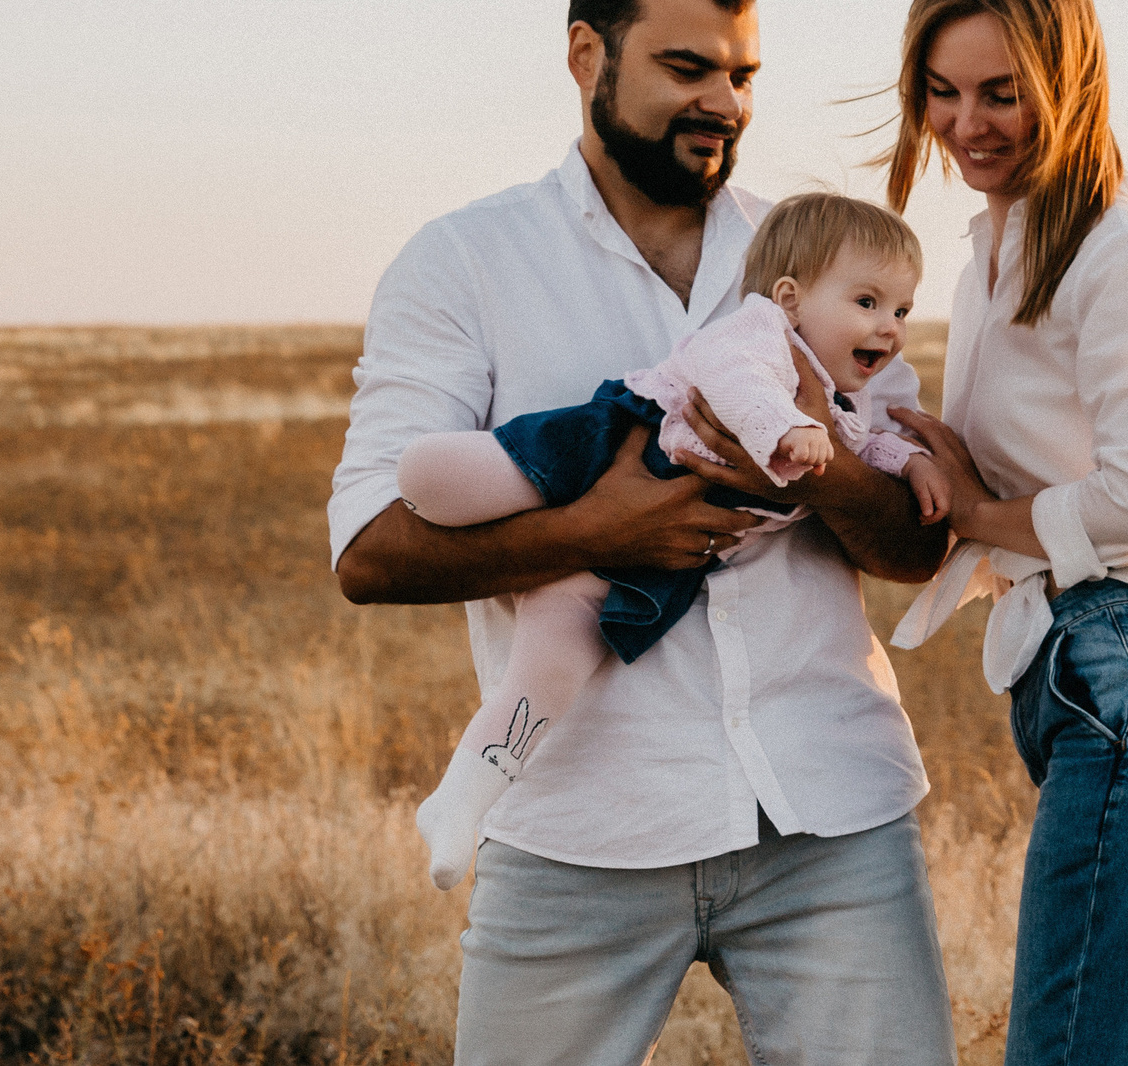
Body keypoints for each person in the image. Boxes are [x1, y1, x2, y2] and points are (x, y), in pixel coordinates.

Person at [329, 0, 959, 1066]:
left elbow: (915, 547)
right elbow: (368, 549)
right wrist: (597, 527)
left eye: (742, 73)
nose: (722, 99)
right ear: (586, 56)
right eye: (686, 68)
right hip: (578, 827)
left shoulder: (819, 258)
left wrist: (807, 450)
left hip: (829, 813)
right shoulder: (464, 261)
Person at [883, 0, 1128, 1066]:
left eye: (1001, 92)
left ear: (1068, 79)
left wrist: (969, 509)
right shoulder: (993, 251)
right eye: (942, 93)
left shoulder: (1117, 250)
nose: (967, 125)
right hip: (1106, 684)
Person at [395, 193, 950, 889]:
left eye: (902, 310)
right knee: (478, 474)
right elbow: (727, 373)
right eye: (868, 302)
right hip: (617, 446)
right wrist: (783, 428)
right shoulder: (759, 334)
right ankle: (434, 479)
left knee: (550, 673)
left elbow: (865, 449)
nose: (891, 328)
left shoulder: (842, 397)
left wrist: (912, 461)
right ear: (788, 297)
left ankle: (462, 798)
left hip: (650, 562)